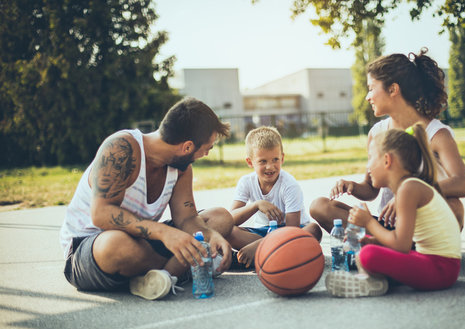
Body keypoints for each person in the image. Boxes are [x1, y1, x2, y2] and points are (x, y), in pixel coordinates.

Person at [59, 97, 233, 300]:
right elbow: (101, 214)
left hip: (144, 241)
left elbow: (186, 218)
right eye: (207, 148)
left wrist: (209, 235)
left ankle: (161, 277)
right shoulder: (121, 148)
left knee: (221, 218)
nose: (205, 154)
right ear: (187, 147)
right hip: (91, 249)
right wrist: (166, 234)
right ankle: (183, 268)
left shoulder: (181, 169)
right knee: (117, 245)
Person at [310, 48, 465, 234]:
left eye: (371, 88)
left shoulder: (436, 134)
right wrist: (352, 187)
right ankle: (389, 246)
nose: (367, 97)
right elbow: (371, 189)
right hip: (388, 225)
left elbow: (463, 184)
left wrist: (410, 195)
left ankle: (403, 250)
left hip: (422, 226)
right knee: (320, 206)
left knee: (455, 207)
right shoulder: (377, 133)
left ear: (393, 89)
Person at [325, 123, 462, 297]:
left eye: (370, 158)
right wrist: (373, 240)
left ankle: (371, 282)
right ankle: (376, 281)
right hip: (434, 263)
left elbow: (401, 245)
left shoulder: (408, 189)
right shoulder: (409, 187)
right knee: (366, 246)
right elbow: (402, 244)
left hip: (441, 270)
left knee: (368, 255)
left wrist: (368, 222)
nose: (368, 167)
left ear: (387, 160)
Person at [226, 126, 322, 268]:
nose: (270, 167)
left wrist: (259, 245)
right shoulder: (246, 182)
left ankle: (261, 254)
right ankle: (275, 255)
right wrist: (256, 205)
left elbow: (292, 230)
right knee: (228, 231)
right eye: (263, 161)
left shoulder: (289, 185)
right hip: (263, 232)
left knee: (314, 229)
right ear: (250, 162)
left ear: (282, 158)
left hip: (292, 232)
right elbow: (229, 220)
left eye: (275, 159)